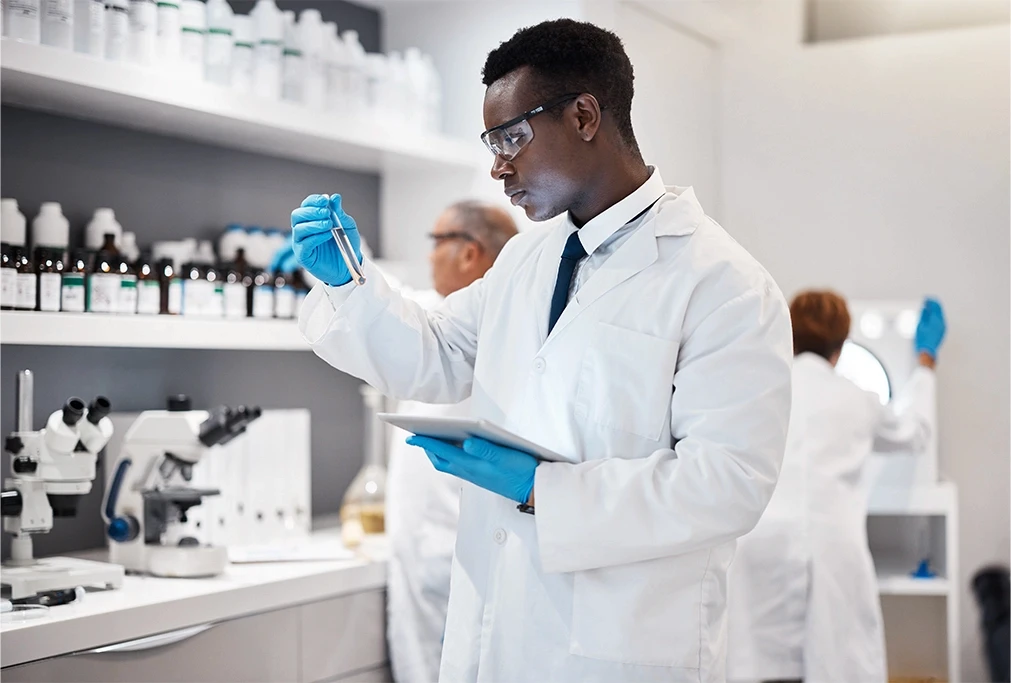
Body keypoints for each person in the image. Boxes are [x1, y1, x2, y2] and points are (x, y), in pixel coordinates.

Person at [293, 19, 793, 682]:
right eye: (492, 143)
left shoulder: (722, 283)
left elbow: (726, 485)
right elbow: (438, 351)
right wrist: (350, 286)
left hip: (621, 651)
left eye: (511, 137)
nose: (497, 166)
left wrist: (542, 490)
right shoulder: (524, 260)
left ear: (584, 116)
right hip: (500, 633)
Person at [726, 291, 947, 683]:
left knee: (756, 666)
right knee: (837, 665)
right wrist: (926, 361)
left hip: (758, 543)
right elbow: (915, 433)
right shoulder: (858, 398)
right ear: (841, 345)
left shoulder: (757, 392)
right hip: (832, 548)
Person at [385, 201, 518, 683]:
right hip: (430, 548)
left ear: (469, 253)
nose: (429, 256)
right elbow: (388, 305)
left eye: (436, 242)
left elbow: (393, 312)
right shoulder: (445, 315)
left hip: (453, 551)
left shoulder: (486, 325)